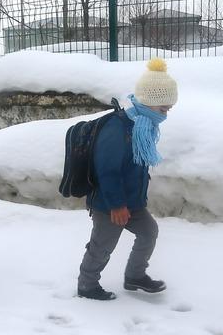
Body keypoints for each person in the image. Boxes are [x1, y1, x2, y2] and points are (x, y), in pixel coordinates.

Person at [76, 58, 178, 301]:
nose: (165, 115)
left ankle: (135, 276)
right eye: (163, 109)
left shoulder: (142, 126)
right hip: (109, 203)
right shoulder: (118, 128)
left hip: (132, 202)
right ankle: (87, 285)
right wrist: (116, 204)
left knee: (149, 231)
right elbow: (107, 170)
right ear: (149, 102)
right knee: (102, 245)